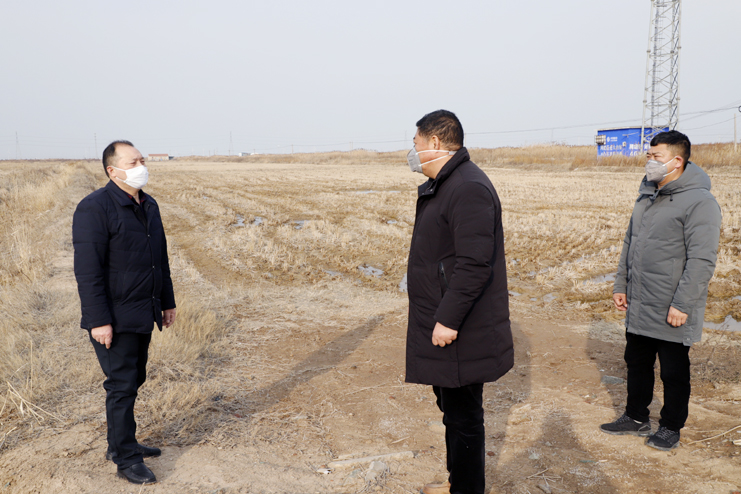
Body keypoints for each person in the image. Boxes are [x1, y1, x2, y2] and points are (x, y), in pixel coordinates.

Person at [404, 110, 513, 494]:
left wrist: (448, 319)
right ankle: (458, 483)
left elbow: (473, 264)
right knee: (452, 411)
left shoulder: (467, 188)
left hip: (463, 327)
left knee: (464, 416)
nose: (411, 151)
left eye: (415, 143)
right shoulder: (447, 185)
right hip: (446, 319)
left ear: (434, 143)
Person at [600, 130, 721, 451]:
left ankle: (670, 426)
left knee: (673, 371)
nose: (650, 162)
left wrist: (683, 304)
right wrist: (621, 284)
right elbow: (630, 243)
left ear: (677, 161)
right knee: (636, 362)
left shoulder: (700, 202)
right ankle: (635, 416)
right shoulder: (647, 194)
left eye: (657, 157)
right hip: (641, 300)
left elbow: (702, 259)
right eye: (648, 156)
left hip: (672, 304)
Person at [73, 140, 177, 484]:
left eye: (142, 160)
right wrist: (99, 321)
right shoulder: (94, 208)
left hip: (142, 311)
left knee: (134, 379)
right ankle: (126, 459)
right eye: (133, 162)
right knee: (121, 385)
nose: (141, 166)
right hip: (114, 317)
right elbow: (88, 272)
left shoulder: (148, 204)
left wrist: (166, 301)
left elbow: (159, 259)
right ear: (112, 170)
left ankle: (120, 442)